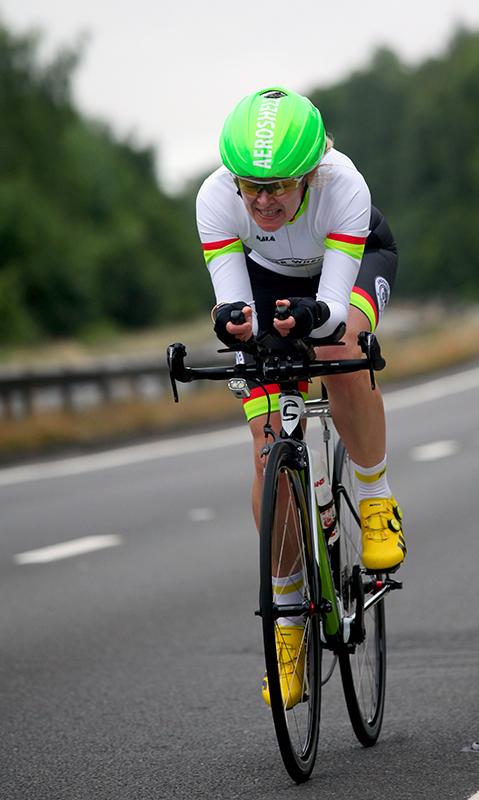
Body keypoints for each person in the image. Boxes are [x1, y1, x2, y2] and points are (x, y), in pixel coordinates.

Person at [196, 87, 406, 707]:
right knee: (267, 453)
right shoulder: (215, 198)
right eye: (250, 186)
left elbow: (336, 313)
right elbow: (233, 301)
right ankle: (288, 625)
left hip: (350, 268)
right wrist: (235, 327)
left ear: (311, 173)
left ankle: (374, 498)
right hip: (268, 281)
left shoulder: (344, 187)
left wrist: (311, 318)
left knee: (341, 353)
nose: (262, 201)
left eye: (279, 186)